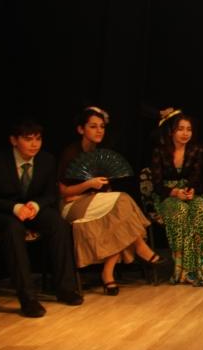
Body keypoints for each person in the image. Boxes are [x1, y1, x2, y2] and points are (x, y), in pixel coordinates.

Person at [0, 118, 83, 317]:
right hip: (3, 212)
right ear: (14, 140)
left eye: (38, 139)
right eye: (28, 139)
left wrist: (36, 205)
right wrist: (14, 207)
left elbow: (51, 194)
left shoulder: (47, 160)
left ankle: (65, 288)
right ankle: (28, 299)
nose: (34, 144)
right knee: (13, 228)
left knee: (58, 224)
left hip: (32, 208)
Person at [58, 107, 163, 296]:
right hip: (72, 206)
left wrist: (99, 191)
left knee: (117, 217)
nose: (99, 130)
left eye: (102, 126)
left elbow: (105, 190)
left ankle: (107, 273)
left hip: (95, 203)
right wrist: (88, 185)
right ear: (81, 129)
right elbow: (64, 192)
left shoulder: (100, 153)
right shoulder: (71, 153)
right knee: (122, 200)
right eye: (93, 126)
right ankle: (140, 246)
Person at [150, 110, 203, 286]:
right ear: (171, 131)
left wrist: (191, 190)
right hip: (167, 194)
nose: (185, 133)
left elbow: (196, 177)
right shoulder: (159, 151)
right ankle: (185, 272)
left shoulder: (196, 149)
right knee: (181, 211)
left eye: (188, 129)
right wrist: (174, 192)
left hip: (189, 191)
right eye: (181, 129)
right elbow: (157, 184)